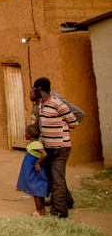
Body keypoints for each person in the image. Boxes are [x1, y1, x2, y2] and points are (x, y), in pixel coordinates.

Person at [30, 77, 78, 218]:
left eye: (34, 89)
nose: (32, 91)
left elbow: (74, 122)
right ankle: (66, 200)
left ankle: (59, 211)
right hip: (48, 147)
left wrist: (59, 128)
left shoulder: (57, 103)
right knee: (53, 177)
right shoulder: (42, 104)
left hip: (60, 147)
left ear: (39, 89)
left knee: (57, 179)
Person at [16, 124, 49, 216]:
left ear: (29, 135)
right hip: (33, 169)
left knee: (36, 191)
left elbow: (44, 154)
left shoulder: (35, 144)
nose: (25, 134)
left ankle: (38, 212)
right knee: (38, 191)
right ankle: (42, 211)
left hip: (35, 171)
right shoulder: (34, 143)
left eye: (25, 133)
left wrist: (37, 163)